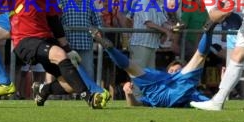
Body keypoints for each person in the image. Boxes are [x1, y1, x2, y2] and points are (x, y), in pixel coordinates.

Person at [89, 21, 217, 107]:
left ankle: (109, 49)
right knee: (199, 57)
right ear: (168, 70)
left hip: (159, 87)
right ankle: (208, 32)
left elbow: (136, 105)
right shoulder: (186, 86)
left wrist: (129, 95)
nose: (173, 72)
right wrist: (129, 94)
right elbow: (210, 103)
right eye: (172, 70)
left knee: (130, 67)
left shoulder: (160, 76)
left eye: (176, 70)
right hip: (176, 87)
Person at [59, 0, 102, 80]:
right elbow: (56, 22)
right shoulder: (61, 1)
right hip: (67, 44)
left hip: (86, 44)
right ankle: (68, 96)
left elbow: (97, 22)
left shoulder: (89, 2)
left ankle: (89, 94)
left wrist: (98, 35)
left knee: (88, 72)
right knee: (68, 73)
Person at [126, 0, 173, 69]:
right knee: (139, 74)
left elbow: (164, 22)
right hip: (140, 44)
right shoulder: (142, 3)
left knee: (149, 75)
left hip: (152, 45)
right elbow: (149, 24)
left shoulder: (157, 5)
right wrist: (166, 31)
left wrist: (172, 28)